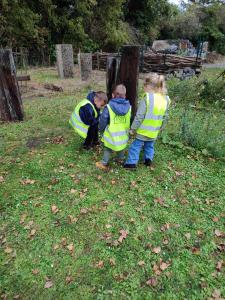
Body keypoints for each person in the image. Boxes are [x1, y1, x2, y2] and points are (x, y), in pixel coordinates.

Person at [124, 73, 170, 169]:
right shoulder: (165, 99)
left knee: (135, 146)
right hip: (154, 131)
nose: (143, 88)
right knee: (149, 145)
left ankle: (131, 164)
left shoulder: (148, 98)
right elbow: (165, 117)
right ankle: (148, 159)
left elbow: (139, 116)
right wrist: (161, 127)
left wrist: (132, 129)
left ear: (148, 86)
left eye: (144, 86)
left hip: (143, 130)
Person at [96, 84, 131, 170]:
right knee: (121, 147)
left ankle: (104, 163)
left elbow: (103, 120)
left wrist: (101, 130)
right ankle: (120, 159)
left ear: (112, 95)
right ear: (125, 96)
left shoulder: (108, 107)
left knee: (108, 148)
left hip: (111, 134)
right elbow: (130, 118)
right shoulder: (129, 107)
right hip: (123, 135)